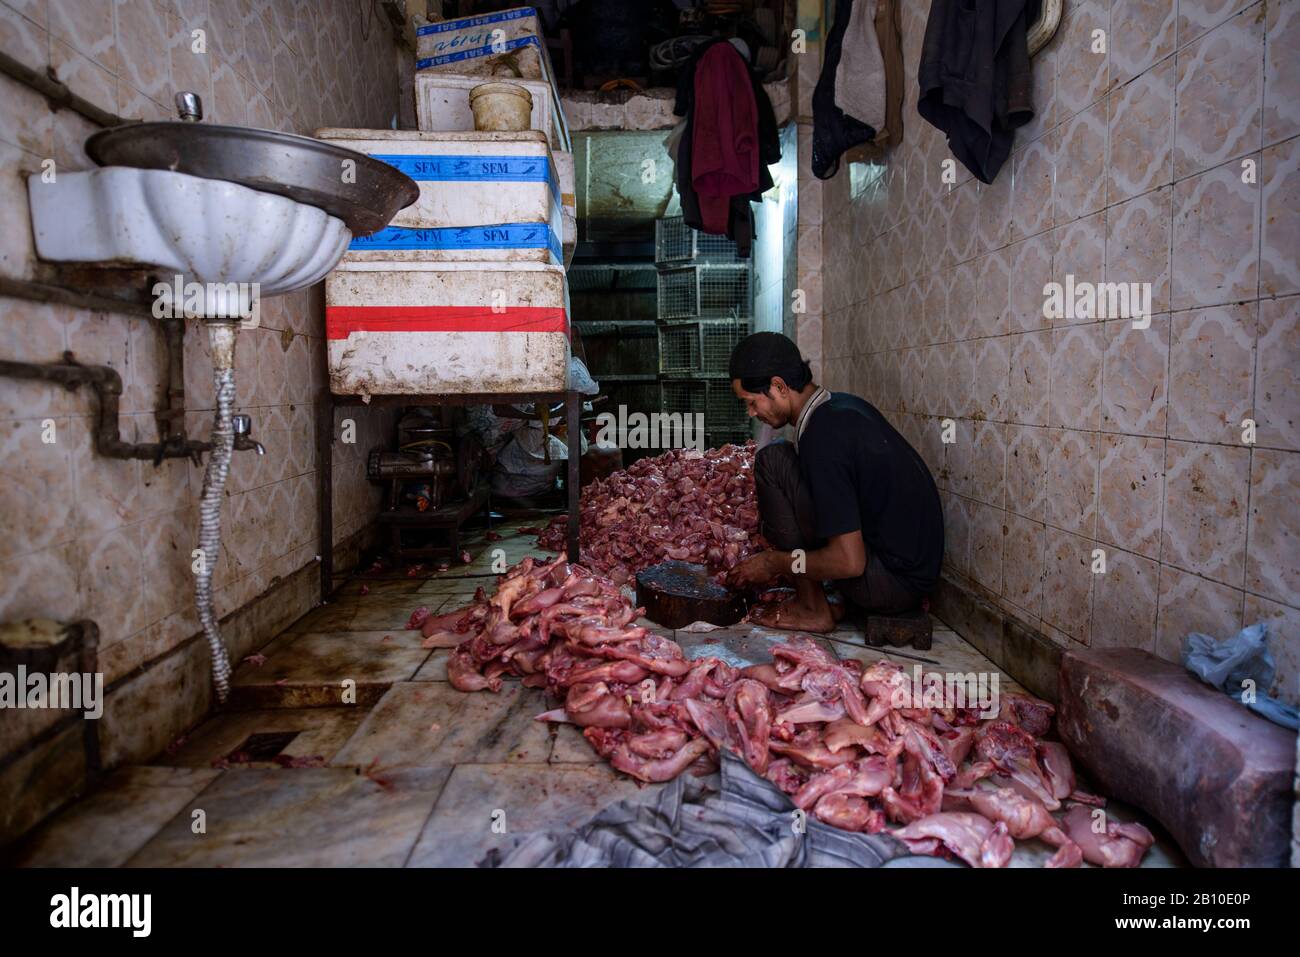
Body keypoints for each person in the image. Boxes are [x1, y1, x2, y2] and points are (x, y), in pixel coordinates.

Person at [724, 332, 944, 632]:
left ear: (778, 386)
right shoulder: (838, 407)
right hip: (910, 573)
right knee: (782, 458)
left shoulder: (823, 437)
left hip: (893, 585)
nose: (751, 413)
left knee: (773, 462)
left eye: (751, 402)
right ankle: (827, 601)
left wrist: (772, 563)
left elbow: (849, 563)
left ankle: (811, 608)